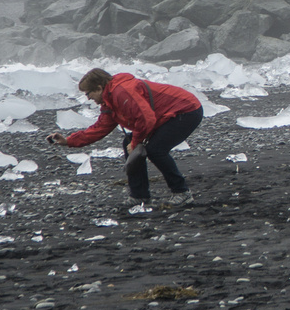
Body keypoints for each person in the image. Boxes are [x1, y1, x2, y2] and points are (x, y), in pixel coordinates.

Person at [49, 68, 203, 210]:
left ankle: (182, 193)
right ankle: (139, 196)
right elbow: (99, 129)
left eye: (88, 93)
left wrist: (136, 142)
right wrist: (69, 141)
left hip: (186, 110)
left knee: (156, 150)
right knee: (129, 143)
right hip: (165, 116)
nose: (88, 98)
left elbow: (146, 119)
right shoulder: (109, 100)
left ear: (99, 88)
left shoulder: (122, 92)